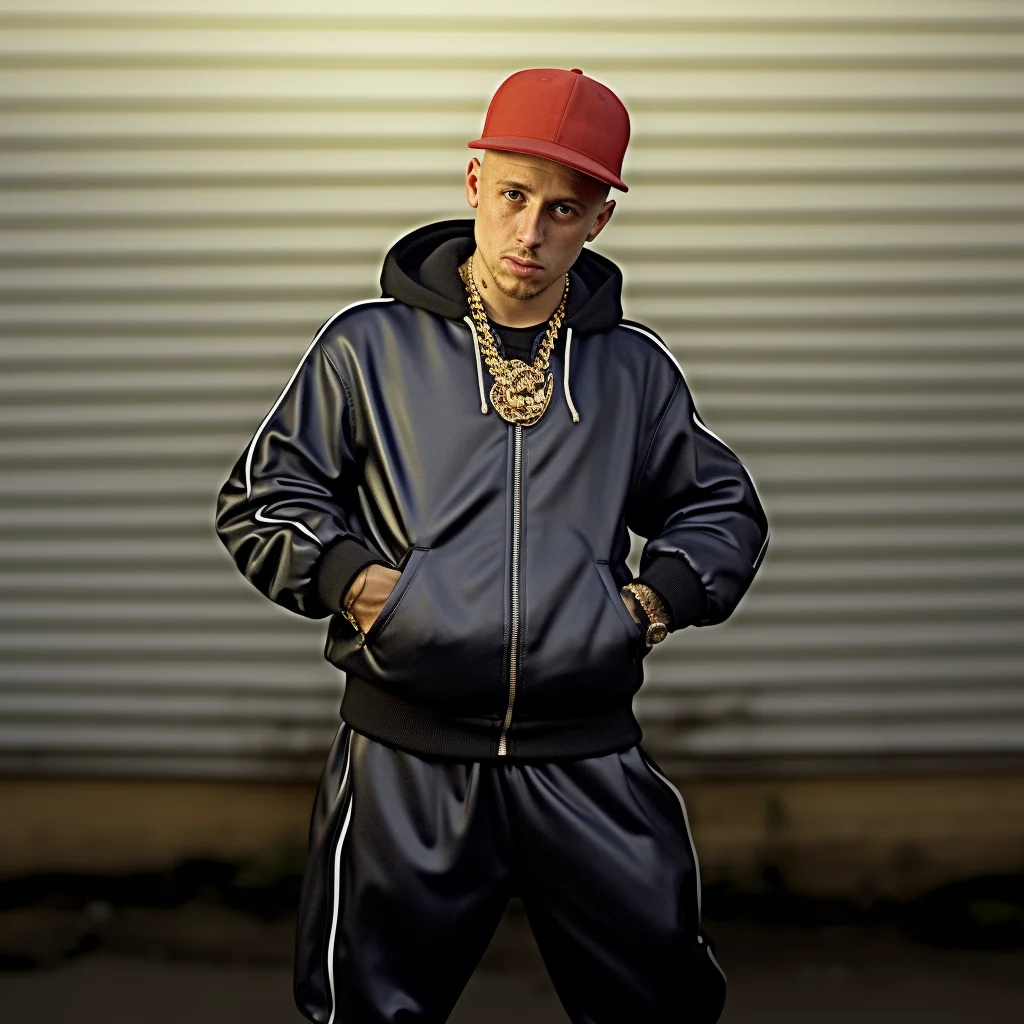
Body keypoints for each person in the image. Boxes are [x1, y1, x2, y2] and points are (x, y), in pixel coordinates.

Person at [216, 67, 769, 1024]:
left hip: (587, 756)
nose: (531, 231)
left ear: (599, 220)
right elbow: (265, 500)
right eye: (514, 195)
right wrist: (362, 586)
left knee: (661, 1004)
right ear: (474, 181)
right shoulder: (367, 350)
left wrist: (649, 603)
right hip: (406, 758)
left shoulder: (632, 370)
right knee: (368, 1012)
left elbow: (723, 510)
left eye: (564, 209)